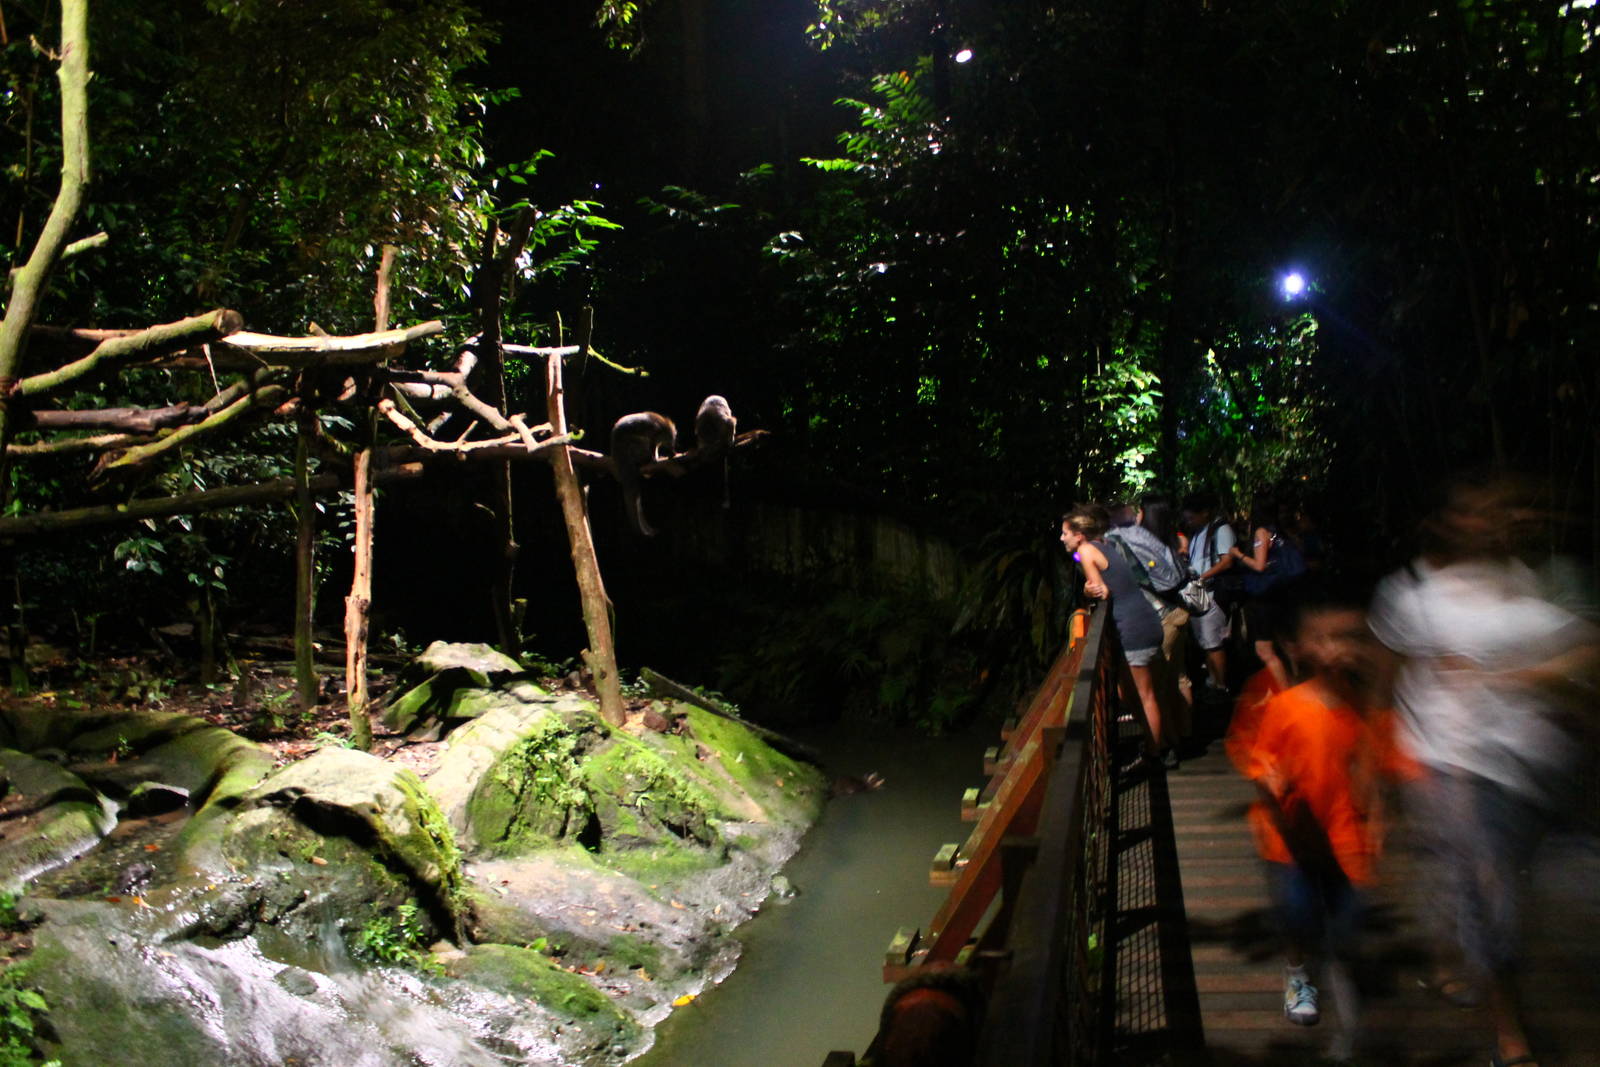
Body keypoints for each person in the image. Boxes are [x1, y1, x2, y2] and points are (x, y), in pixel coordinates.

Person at [1369, 475, 1599, 1067]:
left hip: (1542, 773)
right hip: (1457, 771)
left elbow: (1586, 653)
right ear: (1454, 523)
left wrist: (1518, 677)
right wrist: (1385, 773)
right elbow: (1387, 678)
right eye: (1485, 512)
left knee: (1542, 898)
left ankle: (1464, 956)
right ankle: (1511, 1038)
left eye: (1514, 510)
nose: (1505, 521)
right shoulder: (1421, 597)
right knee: (1492, 900)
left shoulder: (1542, 588)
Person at [1233, 591, 1420, 1062]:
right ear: (1302, 646)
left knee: (1345, 927)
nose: (1340, 649)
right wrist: (1272, 782)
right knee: (1298, 916)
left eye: (1351, 638)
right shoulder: (1286, 706)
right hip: (1290, 842)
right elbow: (1261, 763)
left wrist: (1381, 823)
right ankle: (1298, 972)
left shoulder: (1369, 711)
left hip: (1347, 843)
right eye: (1327, 637)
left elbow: (1387, 770)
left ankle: (1345, 1007)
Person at [1061, 504, 1172, 766]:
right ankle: (1156, 742)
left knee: (1145, 695)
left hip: (1133, 626)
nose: (1062, 538)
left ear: (1079, 535)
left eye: (1065, 533)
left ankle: (1157, 753)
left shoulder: (1087, 549)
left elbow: (1101, 591)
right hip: (1142, 620)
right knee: (1128, 692)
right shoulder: (1103, 545)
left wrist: (1090, 592)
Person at [1130, 494, 1195, 746]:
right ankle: (1185, 731)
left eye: (1139, 511)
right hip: (1180, 614)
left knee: (1159, 685)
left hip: (1163, 617)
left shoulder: (1147, 546)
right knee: (1179, 676)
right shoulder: (1175, 540)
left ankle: (1166, 742)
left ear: (1147, 514)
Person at [1229, 492, 1304, 689]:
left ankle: (1285, 695)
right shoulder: (1281, 531)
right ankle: (1296, 683)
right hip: (1282, 593)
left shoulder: (1262, 532)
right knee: (1286, 644)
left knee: (1264, 650)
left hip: (1265, 597)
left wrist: (1238, 555)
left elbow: (1260, 565)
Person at [1182, 490, 1238, 700]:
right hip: (1202, 591)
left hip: (1213, 591)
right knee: (1206, 640)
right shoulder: (1200, 530)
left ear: (1205, 512)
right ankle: (1213, 681)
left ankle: (1221, 686)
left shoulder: (1221, 530)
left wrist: (1202, 577)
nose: (1188, 521)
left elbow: (1227, 561)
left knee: (1213, 641)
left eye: (1191, 517)